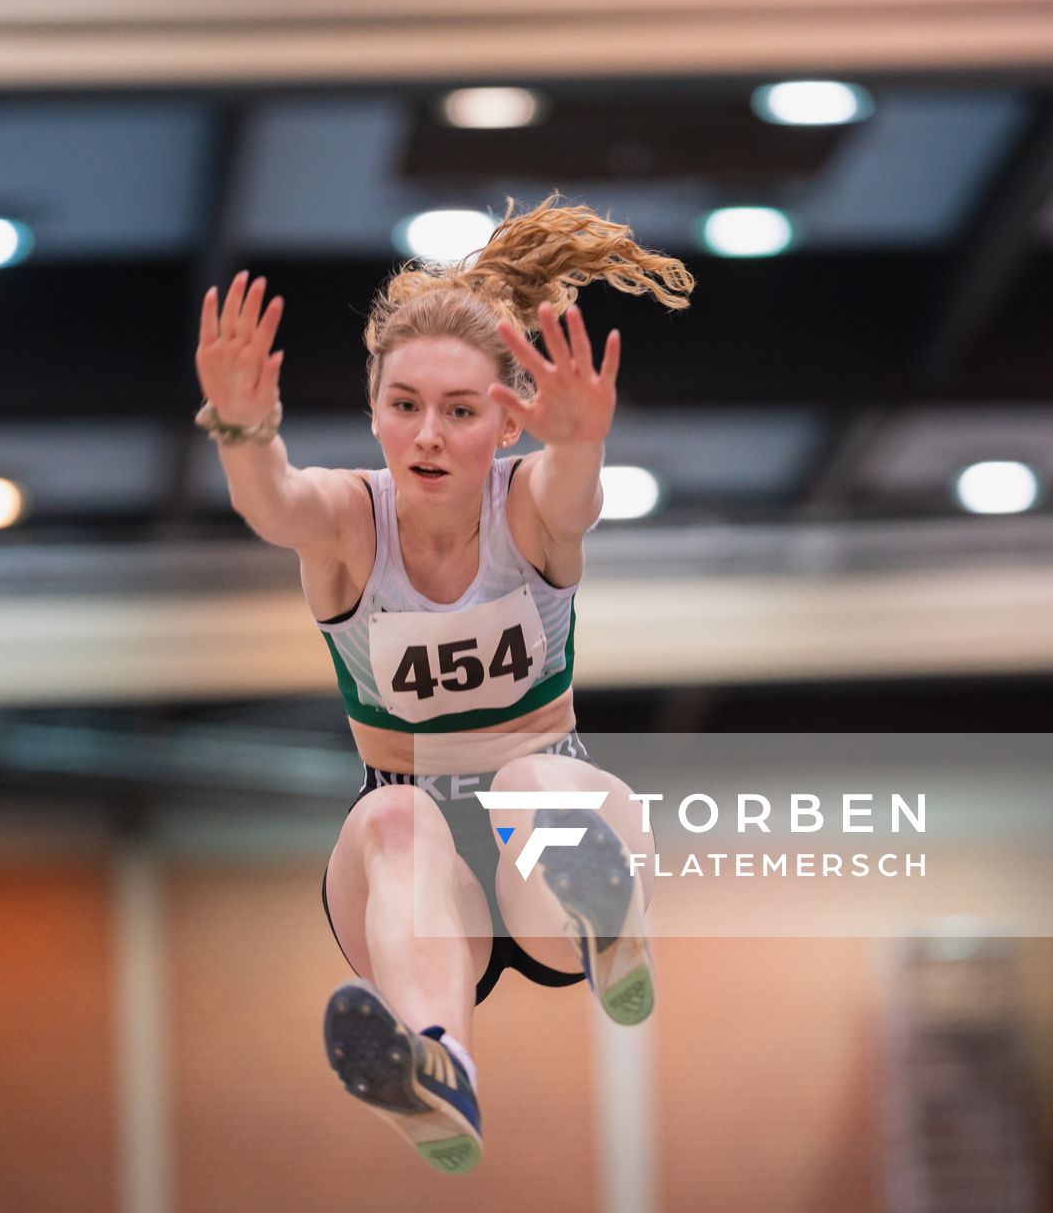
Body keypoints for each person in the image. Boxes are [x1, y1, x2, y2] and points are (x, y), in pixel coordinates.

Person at [192, 197, 693, 1174]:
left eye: (460, 411)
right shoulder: (349, 518)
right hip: (416, 877)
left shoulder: (530, 506)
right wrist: (244, 428)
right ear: (375, 409)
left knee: (526, 789)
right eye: (404, 405)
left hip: (549, 819)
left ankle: (608, 923)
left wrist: (582, 440)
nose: (426, 436)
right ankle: (437, 1063)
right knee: (391, 822)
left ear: (508, 421)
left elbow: (573, 495)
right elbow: (274, 502)